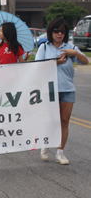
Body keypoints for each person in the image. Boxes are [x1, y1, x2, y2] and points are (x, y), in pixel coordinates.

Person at [35, 18, 88, 165]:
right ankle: (45, 146)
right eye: (56, 31)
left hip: (68, 89)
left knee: (64, 121)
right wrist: (55, 62)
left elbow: (85, 61)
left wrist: (76, 54)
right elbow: (37, 66)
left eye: (63, 31)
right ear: (51, 32)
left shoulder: (70, 47)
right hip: (50, 90)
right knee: (51, 121)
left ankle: (60, 152)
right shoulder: (44, 48)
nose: (59, 34)